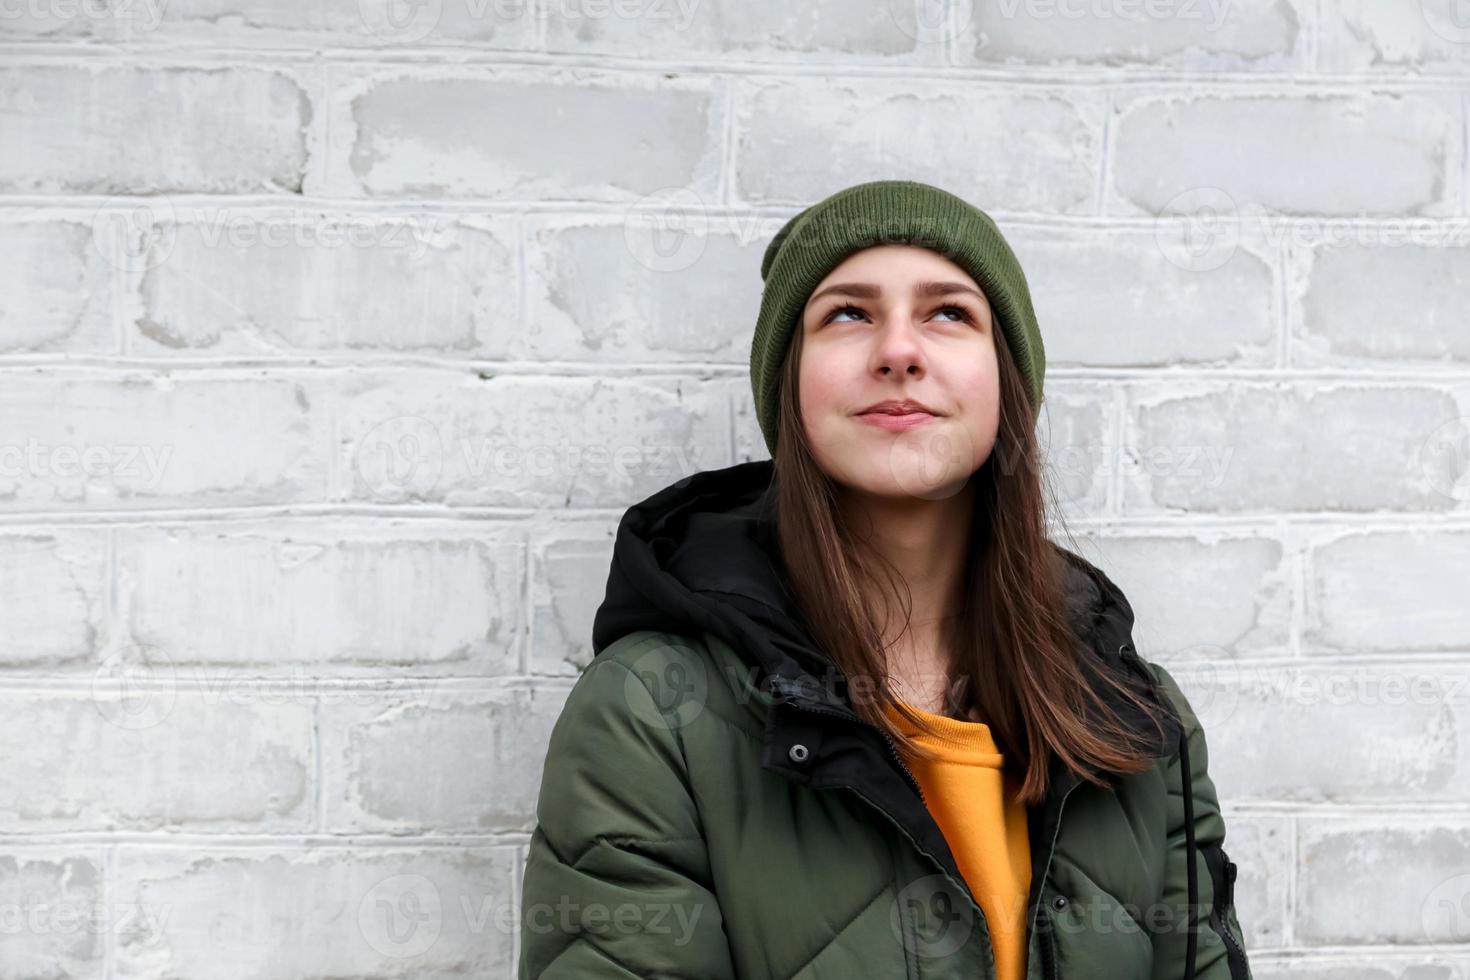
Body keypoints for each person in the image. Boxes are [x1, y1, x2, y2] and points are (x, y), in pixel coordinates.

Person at [518, 179, 1253, 980]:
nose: (899, 351)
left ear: (1005, 383)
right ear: (790, 386)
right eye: (847, 313)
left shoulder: (1139, 722)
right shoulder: (652, 716)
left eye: (948, 312)